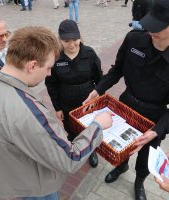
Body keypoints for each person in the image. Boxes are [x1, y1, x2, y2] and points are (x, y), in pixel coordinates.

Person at [0, 26, 113, 200]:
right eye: (49, 67)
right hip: (35, 184)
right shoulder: (29, 112)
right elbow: (70, 159)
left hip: (9, 171)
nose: (50, 73)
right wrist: (97, 125)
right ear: (32, 65)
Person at [83, 0, 169, 199]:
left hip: (153, 118)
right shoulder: (133, 40)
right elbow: (117, 70)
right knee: (120, 148)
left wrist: (156, 131)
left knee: (146, 157)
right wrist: (98, 89)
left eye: (160, 26)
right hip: (126, 105)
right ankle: (121, 167)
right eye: (151, 21)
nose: (151, 29)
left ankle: (139, 181)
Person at [45, 19, 103, 168]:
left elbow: (99, 78)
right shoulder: (56, 57)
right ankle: (74, 150)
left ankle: (92, 150)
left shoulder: (89, 53)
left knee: (90, 127)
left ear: (80, 37)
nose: (71, 44)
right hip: (67, 102)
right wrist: (57, 108)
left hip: (88, 101)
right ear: (60, 40)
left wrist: (99, 99)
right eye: (66, 40)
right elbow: (51, 85)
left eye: (75, 40)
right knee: (71, 129)